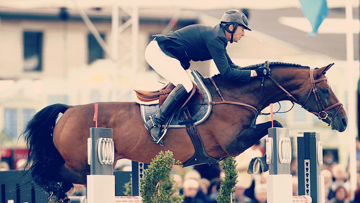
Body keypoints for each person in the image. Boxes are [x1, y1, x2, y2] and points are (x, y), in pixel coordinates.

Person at [144, 9, 271, 145]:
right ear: (231, 27)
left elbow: (232, 66)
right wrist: (255, 74)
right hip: (159, 52)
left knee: (192, 89)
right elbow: (227, 73)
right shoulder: (216, 38)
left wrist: (256, 71)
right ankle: (156, 122)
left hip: (168, 54)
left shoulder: (218, 38)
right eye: (242, 29)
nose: (243, 34)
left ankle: (174, 120)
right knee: (187, 86)